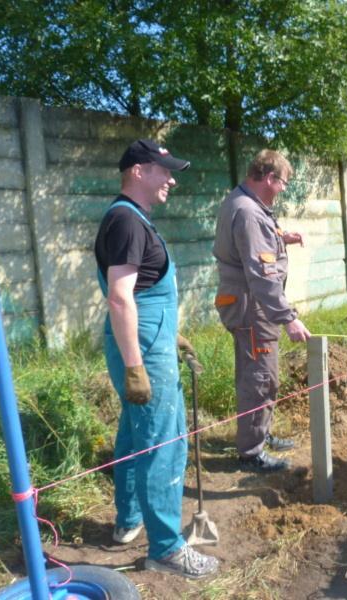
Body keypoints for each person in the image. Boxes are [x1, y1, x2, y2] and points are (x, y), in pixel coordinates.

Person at [94, 139, 218, 577]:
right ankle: (166, 548)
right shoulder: (127, 222)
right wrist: (135, 367)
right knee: (163, 443)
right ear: (138, 171)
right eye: (164, 170)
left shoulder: (130, 219)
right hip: (142, 349)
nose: (171, 179)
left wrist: (174, 333)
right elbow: (121, 298)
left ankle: (128, 520)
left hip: (148, 339)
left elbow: (143, 292)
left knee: (133, 434)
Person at [213, 149, 312, 473]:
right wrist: (289, 318)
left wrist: (282, 236)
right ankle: (251, 452)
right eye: (283, 182)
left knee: (257, 373)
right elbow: (262, 274)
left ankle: (259, 433)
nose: (283, 189)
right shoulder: (249, 212)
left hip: (246, 303)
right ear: (269, 177)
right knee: (260, 378)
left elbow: (253, 244)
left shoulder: (245, 203)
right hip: (252, 306)